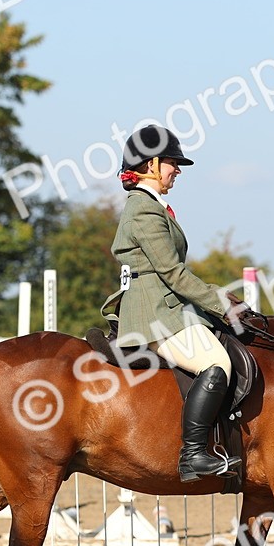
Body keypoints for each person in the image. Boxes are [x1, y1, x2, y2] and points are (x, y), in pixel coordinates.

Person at [100, 125, 242, 482]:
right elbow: (173, 274)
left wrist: (218, 296)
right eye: (172, 163)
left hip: (164, 307)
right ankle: (192, 454)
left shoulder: (151, 206)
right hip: (154, 315)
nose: (177, 170)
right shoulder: (144, 210)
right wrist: (220, 305)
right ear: (151, 164)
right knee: (216, 362)